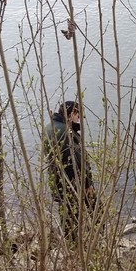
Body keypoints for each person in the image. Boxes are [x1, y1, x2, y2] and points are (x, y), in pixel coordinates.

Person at [43, 101, 96, 241]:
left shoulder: (49, 128)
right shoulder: (66, 132)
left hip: (58, 183)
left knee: (67, 218)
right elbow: (78, 161)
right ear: (71, 114)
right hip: (74, 183)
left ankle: (71, 246)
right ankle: (96, 243)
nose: (79, 119)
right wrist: (87, 184)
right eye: (78, 115)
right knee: (97, 211)